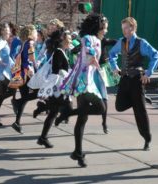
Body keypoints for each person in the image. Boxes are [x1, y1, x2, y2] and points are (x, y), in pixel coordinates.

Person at [59, 14, 108, 167]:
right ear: (98, 27)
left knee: (83, 117)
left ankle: (78, 153)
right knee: (101, 108)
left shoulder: (98, 40)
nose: (106, 30)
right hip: (84, 81)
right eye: (105, 27)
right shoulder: (88, 37)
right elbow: (86, 47)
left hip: (89, 79)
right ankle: (67, 113)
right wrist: (93, 57)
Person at [109, 17, 158, 150]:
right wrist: (114, 67)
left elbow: (156, 55)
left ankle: (147, 139)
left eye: (127, 28)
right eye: (123, 28)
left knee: (140, 112)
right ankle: (139, 99)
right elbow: (111, 53)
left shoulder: (141, 43)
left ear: (133, 28)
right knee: (119, 106)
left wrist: (148, 73)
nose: (124, 31)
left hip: (137, 79)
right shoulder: (121, 42)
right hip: (124, 78)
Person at [37, 28, 73, 147]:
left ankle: (43, 137)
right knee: (67, 109)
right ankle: (44, 108)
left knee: (53, 113)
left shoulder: (62, 51)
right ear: (62, 40)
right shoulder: (58, 52)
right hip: (58, 88)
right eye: (69, 37)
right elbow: (55, 71)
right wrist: (66, 75)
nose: (71, 39)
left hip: (58, 88)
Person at [11, 25, 38, 133]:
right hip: (26, 72)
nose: (36, 34)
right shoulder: (30, 43)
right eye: (35, 32)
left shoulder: (24, 43)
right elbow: (32, 59)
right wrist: (37, 69)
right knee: (36, 93)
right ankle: (17, 103)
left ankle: (17, 122)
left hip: (20, 72)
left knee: (25, 98)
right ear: (31, 33)